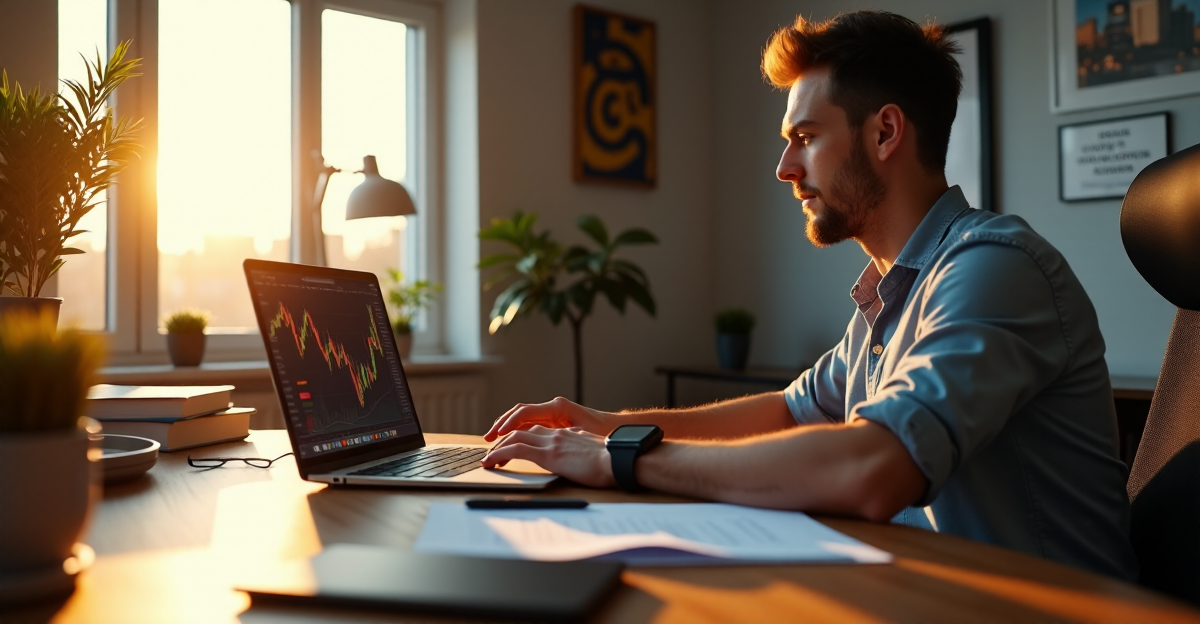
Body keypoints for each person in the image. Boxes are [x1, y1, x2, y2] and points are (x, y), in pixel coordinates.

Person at [482, 10, 1138, 580]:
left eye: (805, 137)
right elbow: (791, 412)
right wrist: (601, 424)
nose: (784, 168)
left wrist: (621, 459)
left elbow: (872, 468)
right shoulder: (891, 295)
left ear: (885, 133)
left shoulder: (994, 267)